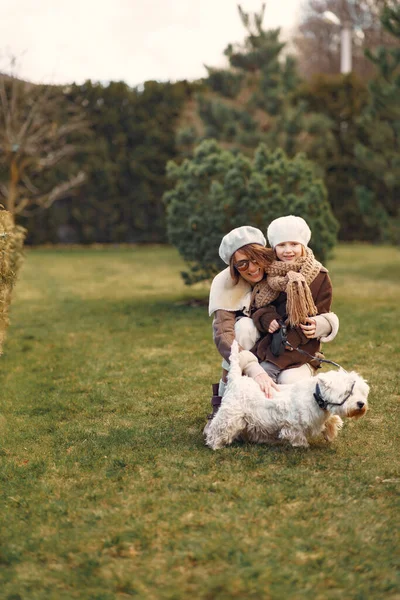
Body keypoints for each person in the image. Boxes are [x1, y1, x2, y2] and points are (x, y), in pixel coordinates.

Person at [205, 225, 279, 433]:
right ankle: (221, 403)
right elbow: (224, 334)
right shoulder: (224, 283)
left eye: (256, 259)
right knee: (244, 327)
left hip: (277, 346)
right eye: (242, 263)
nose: (252, 268)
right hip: (244, 347)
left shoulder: (278, 272)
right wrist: (252, 367)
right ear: (233, 267)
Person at [250, 215, 339, 384]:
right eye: (281, 245)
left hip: (302, 346)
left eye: (294, 244)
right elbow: (258, 306)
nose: (288, 250)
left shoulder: (319, 276)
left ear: (303, 245)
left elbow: (322, 312)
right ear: (274, 247)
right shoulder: (268, 273)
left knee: (287, 381)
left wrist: (315, 326)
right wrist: (267, 318)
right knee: (260, 377)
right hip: (271, 343)